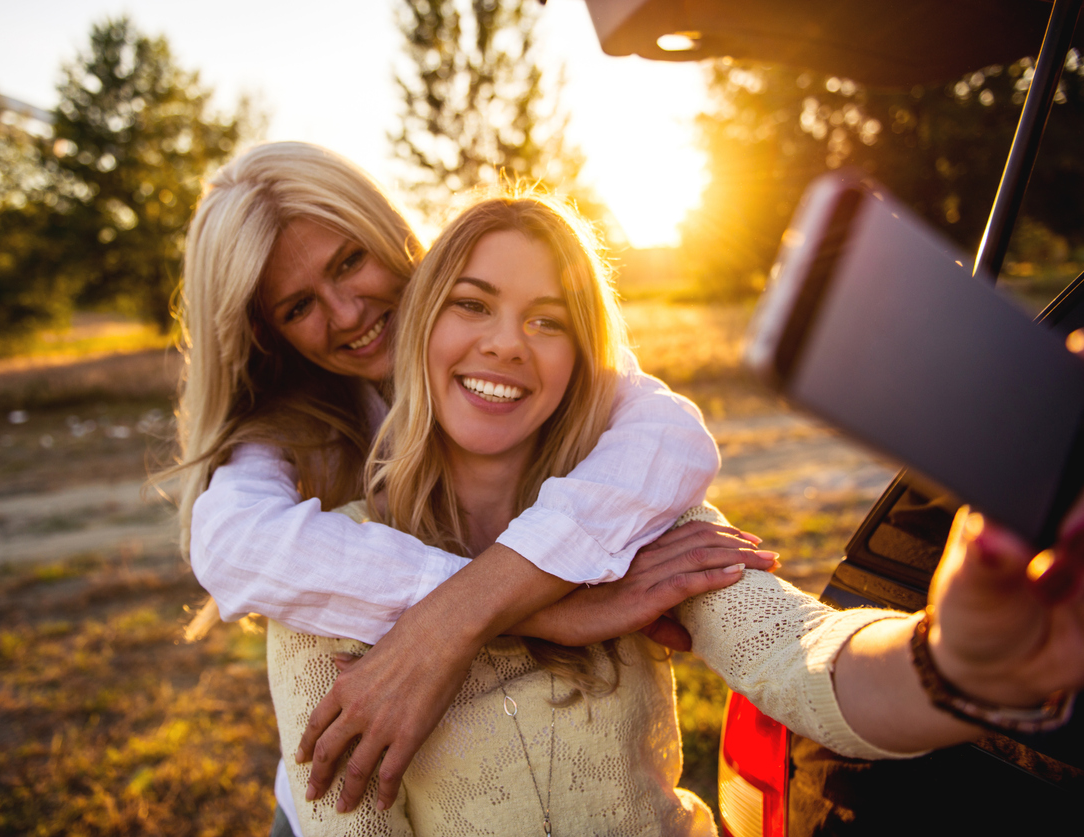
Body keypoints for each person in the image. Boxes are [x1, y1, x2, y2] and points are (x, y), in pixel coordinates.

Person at [275, 195, 1084, 835]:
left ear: (581, 360)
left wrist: (951, 661)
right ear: (420, 326)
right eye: (472, 304)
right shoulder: (325, 575)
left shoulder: (641, 520)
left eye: (548, 319)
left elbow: (803, 657)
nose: (508, 343)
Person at [173, 143, 777, 831]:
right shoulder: (288, 428)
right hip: (339, 795)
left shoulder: (490, 317)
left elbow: (669, 436)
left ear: (389, 233)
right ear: (267, 332)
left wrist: (462, 612)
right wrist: (534, 610)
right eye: (299, 305)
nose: (345, 312)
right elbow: (229, 544)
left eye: (349, 262)